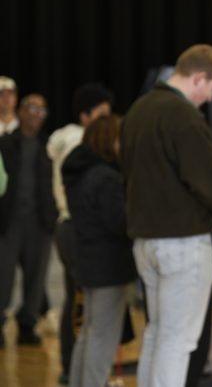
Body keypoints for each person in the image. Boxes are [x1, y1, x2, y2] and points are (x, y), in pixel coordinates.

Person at [120, 44, 212, 387]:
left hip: (146, 242)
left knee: (157, 335)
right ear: (199, 78)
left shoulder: (137, 110)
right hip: (182, 245)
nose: (211, 98)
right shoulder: (183, 116)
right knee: (178, 342)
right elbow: (207, 183)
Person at [61, 114, 137, 387]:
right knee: (102, 337)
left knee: (90, 333)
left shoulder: (80, 172)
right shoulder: (104, 177)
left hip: (90, 263)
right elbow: (120, 221)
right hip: (109, 267)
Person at [47, 82, 113, 384]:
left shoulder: (65, 139)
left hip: (68, 227)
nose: (107, 122)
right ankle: (78, 371)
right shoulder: (79, 143)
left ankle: (71, 369)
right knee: (88, 313)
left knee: (79, 306)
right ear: (85, 116)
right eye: (101, 115)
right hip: (79, 228)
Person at [0, 93, 57, 347]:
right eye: (32, 108)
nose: (36, 115)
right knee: (3, 276)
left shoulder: (49, 146)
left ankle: (27, 322)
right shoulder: (5, 143)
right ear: (21, 111)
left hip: (40, 222)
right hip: (8, 221)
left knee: (36, 278)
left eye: (42, 111)